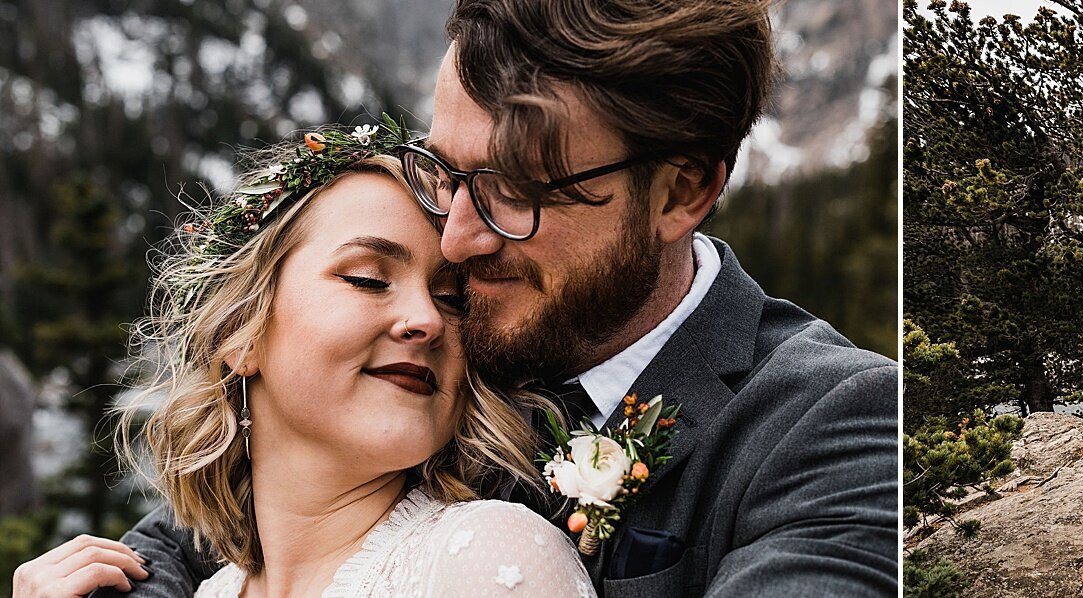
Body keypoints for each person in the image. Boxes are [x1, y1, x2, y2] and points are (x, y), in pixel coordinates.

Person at [93, 0, 900, 595]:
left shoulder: (837, 426)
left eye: (514, 190)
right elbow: (257, 504)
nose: (456, 241)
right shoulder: (453, 336)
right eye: (448, 174)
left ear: (680, 192)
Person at [12, 122, 595, 597]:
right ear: (240, 333)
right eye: (369, 279)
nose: (428, 319)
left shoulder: (486, 561)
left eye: (451, 297)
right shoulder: (206, 592)